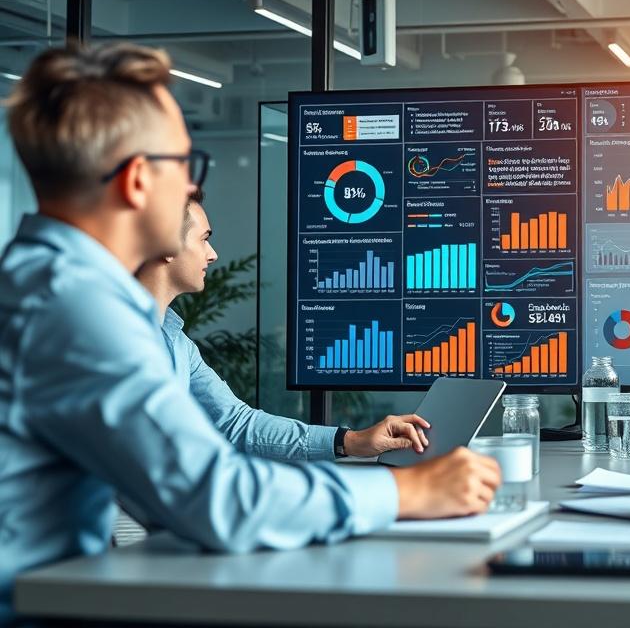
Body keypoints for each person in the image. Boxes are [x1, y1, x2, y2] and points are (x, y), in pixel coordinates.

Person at [0, 43, 500, 616]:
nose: (192, 189)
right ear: (138, 181)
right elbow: (217, 499)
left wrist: (352, 447)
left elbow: (224, 440)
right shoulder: (73, 308)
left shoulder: (56, 288)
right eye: (185, 167)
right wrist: (409, 490)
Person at [136, 187, 426, 462]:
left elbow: (238, 423)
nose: (212, 254)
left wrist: (350, 440)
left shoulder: (177, 344)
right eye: (203, 239)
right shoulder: (117, 339)